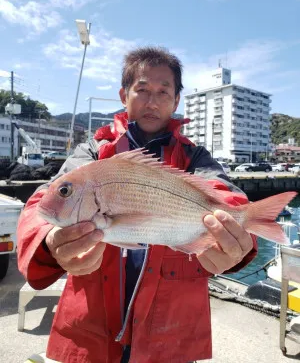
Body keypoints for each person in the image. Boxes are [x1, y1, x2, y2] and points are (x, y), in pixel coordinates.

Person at [17, 47, 257, 363]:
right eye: (142, 90)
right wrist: (49, 242)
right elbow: (42, 203)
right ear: (124, 95)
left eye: (163, 92)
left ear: (176, 100)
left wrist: (238, 238)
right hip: (92, 332)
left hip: (170, 337)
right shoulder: (93, 153)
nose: (152, 101)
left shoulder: (196, 158)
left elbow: (225, 195)